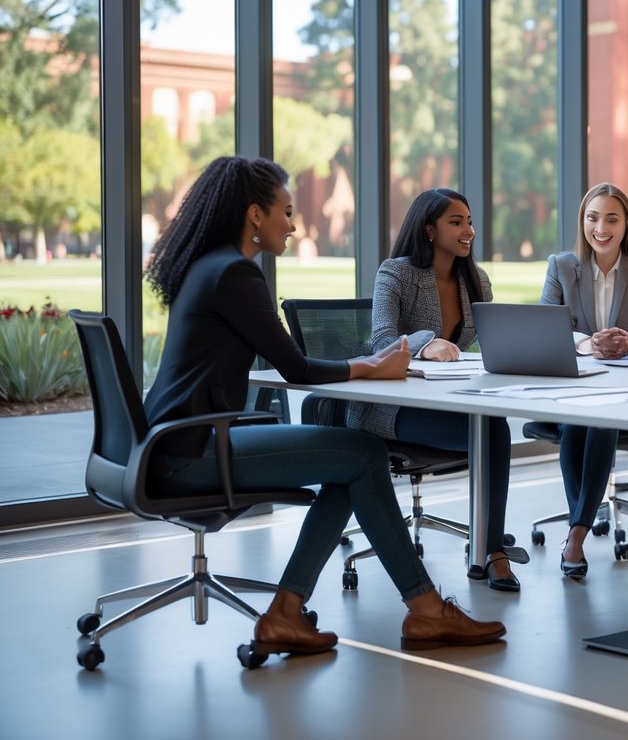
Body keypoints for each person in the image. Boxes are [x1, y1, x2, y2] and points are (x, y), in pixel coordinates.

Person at [142, 156, 505, 658]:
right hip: (191, 451)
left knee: (352, 459)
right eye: (286, 212)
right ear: (255, 214)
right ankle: (422, 611)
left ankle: (289, 614)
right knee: (363, 454)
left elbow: (289, 366)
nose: (293, 226)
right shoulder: (234, 275)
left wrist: (368, 364)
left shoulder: (212, 267)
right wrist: (370, 367)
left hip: (174, 442)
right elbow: (296, 367)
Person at [345, 188, 522, 592]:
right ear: (429, 230)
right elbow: (382, 341)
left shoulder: (477, 281)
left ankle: (490, 541)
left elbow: (486, 341)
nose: (468, 231)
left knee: (493, 424)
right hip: (390, 409)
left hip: (443, 401)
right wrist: (424, 344)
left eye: (469, 222)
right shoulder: (396, 273)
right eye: (456, 222)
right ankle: (493, 549)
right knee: (493, 431)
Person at [538, 183, 628, 579]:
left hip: (627, 396)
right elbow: (544, 328)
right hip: (573, 390)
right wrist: (586, 343)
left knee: (600, 420)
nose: (601, 228)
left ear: (626, 224)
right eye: (592, 218)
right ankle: (579, 530)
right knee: (577, 421)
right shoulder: (562, 266)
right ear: (582, 222)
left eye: (611, 219)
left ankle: (575, 534)